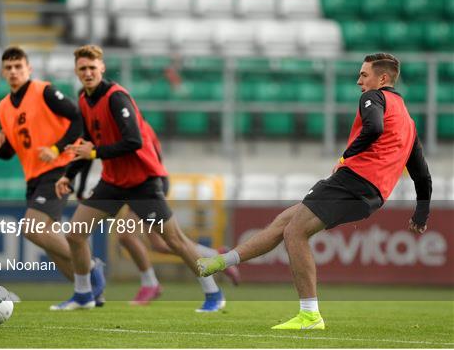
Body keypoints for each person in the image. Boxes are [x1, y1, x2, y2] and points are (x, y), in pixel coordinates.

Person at [197, 53, 432, 329]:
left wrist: (346, 156)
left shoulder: (375, 98)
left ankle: (310, 314)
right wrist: (422, 213)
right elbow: (422, 174)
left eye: (364, 75)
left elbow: (374, 127)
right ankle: (223, 261)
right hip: (373, 193)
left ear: (382, 78)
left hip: (354, 180)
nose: (359, 81)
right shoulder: (408, 122)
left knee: (294, 233)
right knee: (286, 221)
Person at [51, 44, 226, 312]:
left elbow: (132, 140)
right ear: (76, 71)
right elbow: (86, 141)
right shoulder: (84, 99)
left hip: (142, 182)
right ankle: (84, 293)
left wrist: (95, 152)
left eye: (92, 67)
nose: (87, 72)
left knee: (174, 240)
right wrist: (70, 176)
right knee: (75, 234)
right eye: (82, 68)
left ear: (102, 68)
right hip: (113, 182)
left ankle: (213, 293)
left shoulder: (116, 97)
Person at [0, 46, 106, 307]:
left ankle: (90, 264)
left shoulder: (43, 91)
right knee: (48, 240)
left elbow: (78, 119)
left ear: (28, 69)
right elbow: (10, 152)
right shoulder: (2, 108)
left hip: (58, 170)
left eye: (18, 66)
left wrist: (56, 148)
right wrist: (0, 146)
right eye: (8, 68)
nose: (13, 72)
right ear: (2, 72)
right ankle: (87, 294)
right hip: (33, 177)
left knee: (32, 228)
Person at [115, 122, 240, 305]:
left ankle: (150, 284)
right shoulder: (119, 126)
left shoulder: (134, 127)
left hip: (147, 185)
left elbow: (146, 158)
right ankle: (216, 255)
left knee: (127, 235)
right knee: (160, 244)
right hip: (136, 185)